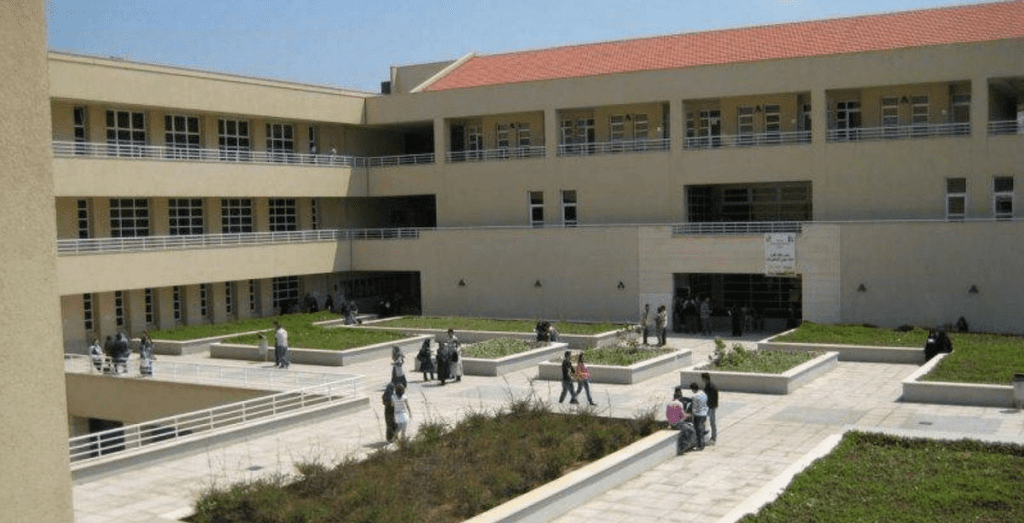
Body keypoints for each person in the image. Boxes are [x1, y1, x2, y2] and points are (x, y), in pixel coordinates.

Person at [667, 387, 696, 454]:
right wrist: (688, 415)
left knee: (689, 427)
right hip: (678, 423)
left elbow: (667, 414)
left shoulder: (670, 403)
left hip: (673, 422)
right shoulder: (679, 404)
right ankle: (685, 447)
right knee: (691, 430)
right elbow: (683, 416)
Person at [688, 382, 708, 451]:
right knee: (702, 429)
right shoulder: (703, 394)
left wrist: (691, 415)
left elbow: (694, 407)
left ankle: (699, 445)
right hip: (704, 414)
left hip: (698, 415)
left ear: (693, 389)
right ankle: (703, 442)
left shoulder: (695, 396)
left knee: (697, 430)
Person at [701, 372, 718, 445]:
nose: (702, 380)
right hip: (708, 406)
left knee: (712, 422)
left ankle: (713, 437)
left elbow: (713, 398)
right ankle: (705, 436)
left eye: (703, 379)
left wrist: (710, 406)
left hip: (711, 407)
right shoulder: (708, 386)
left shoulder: (711, 387)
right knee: (705, 421)